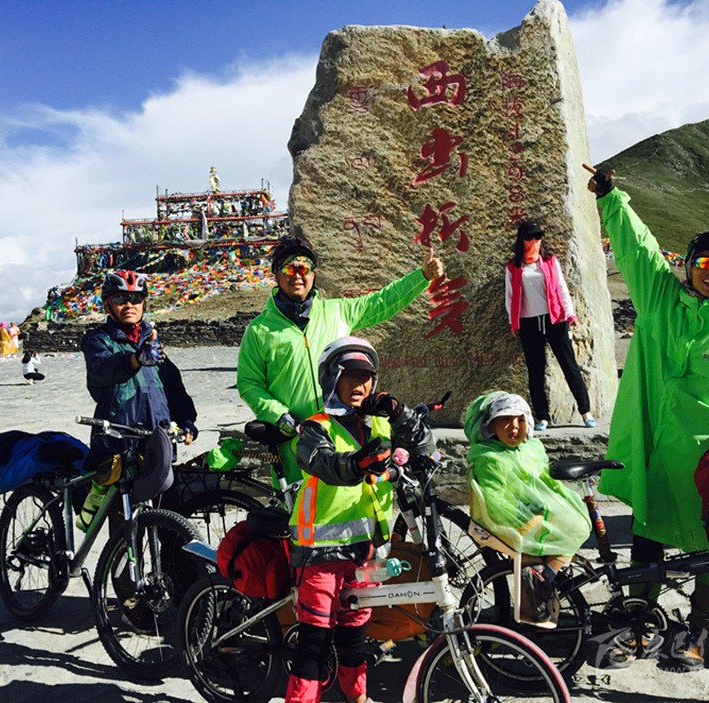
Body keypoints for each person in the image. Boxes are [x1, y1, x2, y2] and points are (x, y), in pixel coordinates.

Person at [586, 165, 709, 669]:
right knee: (646, 539)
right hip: (656, 453)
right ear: (690, 265)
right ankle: (638, 623)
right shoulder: (660, 301)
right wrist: (612, 199)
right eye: (706, 262)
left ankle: (699, 628)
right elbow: (640, 250)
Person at [285, 336, 435, 703]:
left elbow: (425, 447)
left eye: (366, 377)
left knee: (354, 635)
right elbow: (323, 463)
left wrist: (400, 414)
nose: (358, 384)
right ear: (331, 379)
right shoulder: (316, 427)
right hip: (320, 551)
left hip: (366, 551)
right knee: (315, 640)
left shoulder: (380, 425)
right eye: (349, 375)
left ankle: (358, 697)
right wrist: (355, 464)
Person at [237, 235, 444, 484]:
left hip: (344, 432)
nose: (297, 275)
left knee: (353, 496)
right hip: (297, 439)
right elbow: (249, 383)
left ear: (314, 274)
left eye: (304, 268)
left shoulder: (337, 312)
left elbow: (382, 302)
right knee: (302, 504)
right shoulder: (259, 330)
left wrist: (422, 277)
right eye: (290, 268)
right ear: (276, 274)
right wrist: (279, 415)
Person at [79, 270, 198, 532]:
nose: (129, 305)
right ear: (107, 305)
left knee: (173, 528)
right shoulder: (98, 340)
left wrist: (187, 420)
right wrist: (135, 359)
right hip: (117, 445)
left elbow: (173, 388)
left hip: (156, 442)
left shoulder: (152, 342)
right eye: (120, 299)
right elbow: (102, 369)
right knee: (125, 535)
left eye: (136, 299)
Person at [464, 391, 591, 627]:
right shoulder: (489, 457)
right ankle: (542, 580)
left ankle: (544, 577)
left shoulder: (531, 448)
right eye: (506, 419)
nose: (514, 426)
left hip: (537, 510)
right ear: (490, 425)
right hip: (514, 519)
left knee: (579, 525)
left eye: (520, 420)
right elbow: (495, 498)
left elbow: (544, 482)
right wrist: (529, 513)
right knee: (572, 529)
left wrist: (548, 505)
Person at [505, 221, 596, 430]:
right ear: (522, 240)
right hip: (529, 322)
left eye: (538, 237)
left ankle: (586, 412)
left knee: (569, 366)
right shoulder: (513, 267)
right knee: (535, 371)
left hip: (554, 319)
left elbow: (561, 288)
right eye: (530, 237)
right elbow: (509, 296)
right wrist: (513, 321)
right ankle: (542, 416)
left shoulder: (549, 261)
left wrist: (570, 314)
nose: (535, 241)